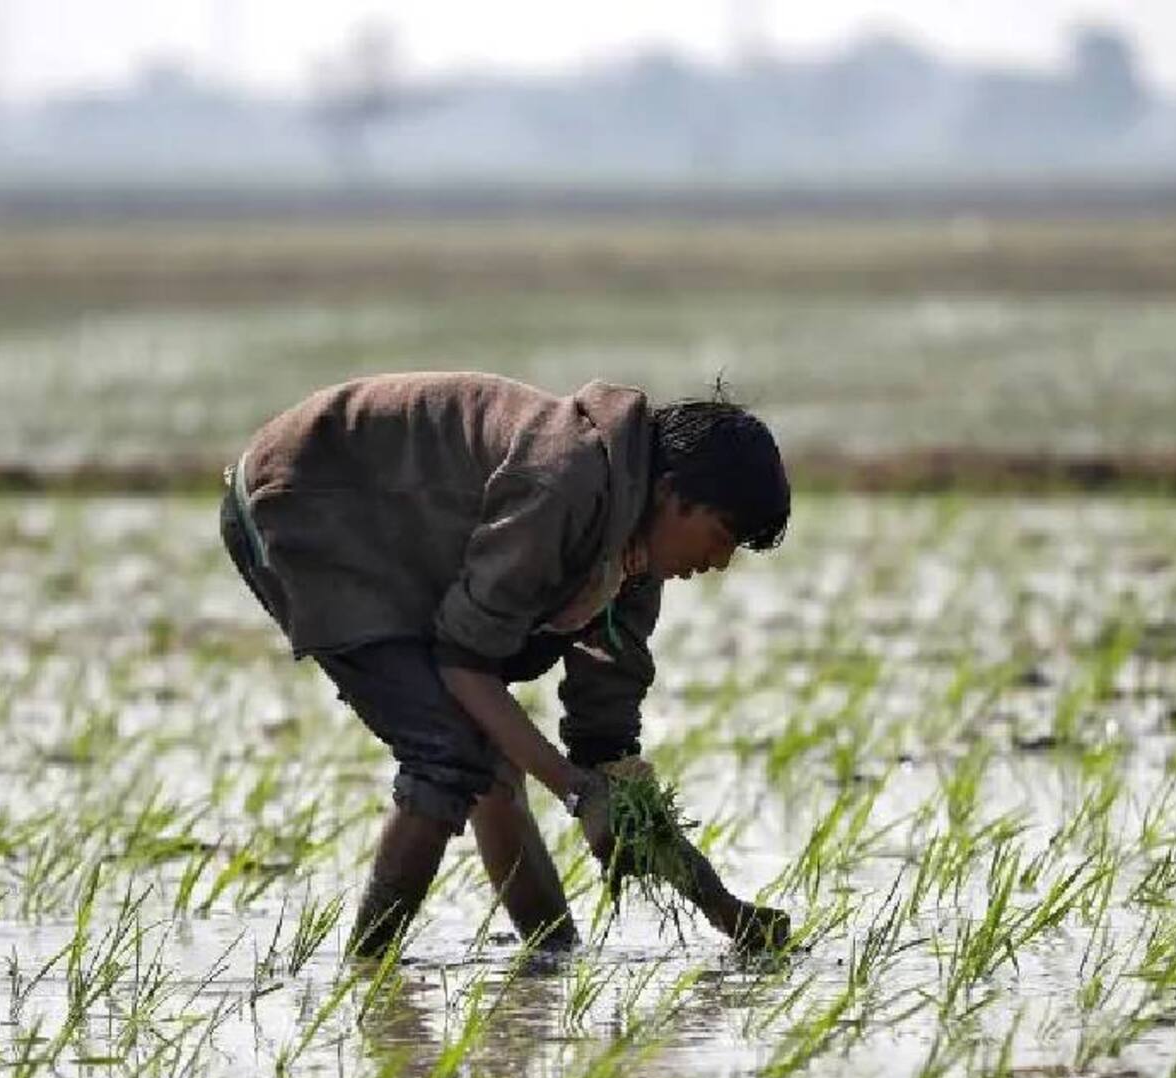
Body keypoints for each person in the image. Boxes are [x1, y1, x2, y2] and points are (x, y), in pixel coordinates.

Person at [220, 371, 790, 958]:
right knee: (448, 752)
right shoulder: (563, 482)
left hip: (402, 537)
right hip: (306, 496)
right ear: (671, 494)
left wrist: (727, 913)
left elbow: (607, 751)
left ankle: (553, 955)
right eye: (721, 536)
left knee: (491, 751)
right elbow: (464, 662)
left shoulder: (635, 568)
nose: (720, 562)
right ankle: (368, 971)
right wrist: (574, 792)